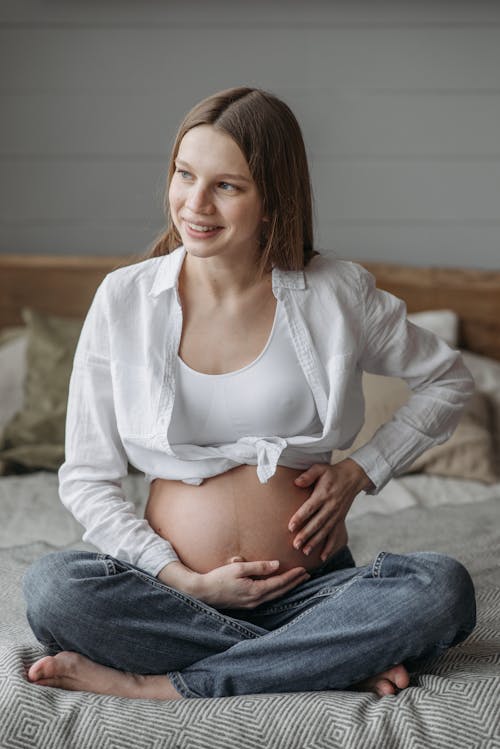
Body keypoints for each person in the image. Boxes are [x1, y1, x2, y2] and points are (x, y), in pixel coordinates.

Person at [22, 87, 476, 701]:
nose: (194, 204)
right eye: (185, 175)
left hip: (312, 594)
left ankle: (164, 684)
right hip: (171, 595)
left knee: (440, 589)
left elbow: (447, 380)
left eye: (227, 186)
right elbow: (86, 478)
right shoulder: (124, 299)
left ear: (273, 199)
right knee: (55, 589)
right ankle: (325, 662)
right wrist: (185, 580)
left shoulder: (337, 294)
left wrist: (363, 470)